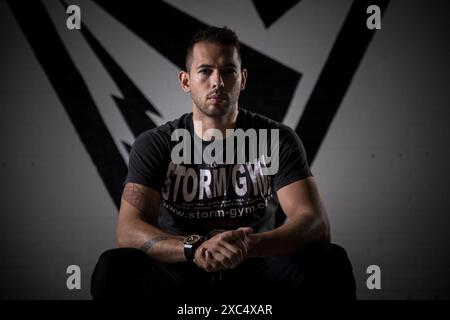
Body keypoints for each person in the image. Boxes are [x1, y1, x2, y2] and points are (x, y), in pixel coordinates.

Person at [91, 26, 356, 301]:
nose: (217, 81)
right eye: (205, 71)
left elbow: (314, 222)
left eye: (228, 70)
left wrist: (248, 245)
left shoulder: (275, 139)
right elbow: (128, 230)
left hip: (256, 268)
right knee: (114, 267)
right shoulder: (156, 144)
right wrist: (194, 248)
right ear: (185, 81)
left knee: (329, 260)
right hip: (181, 270)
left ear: (242, 79)